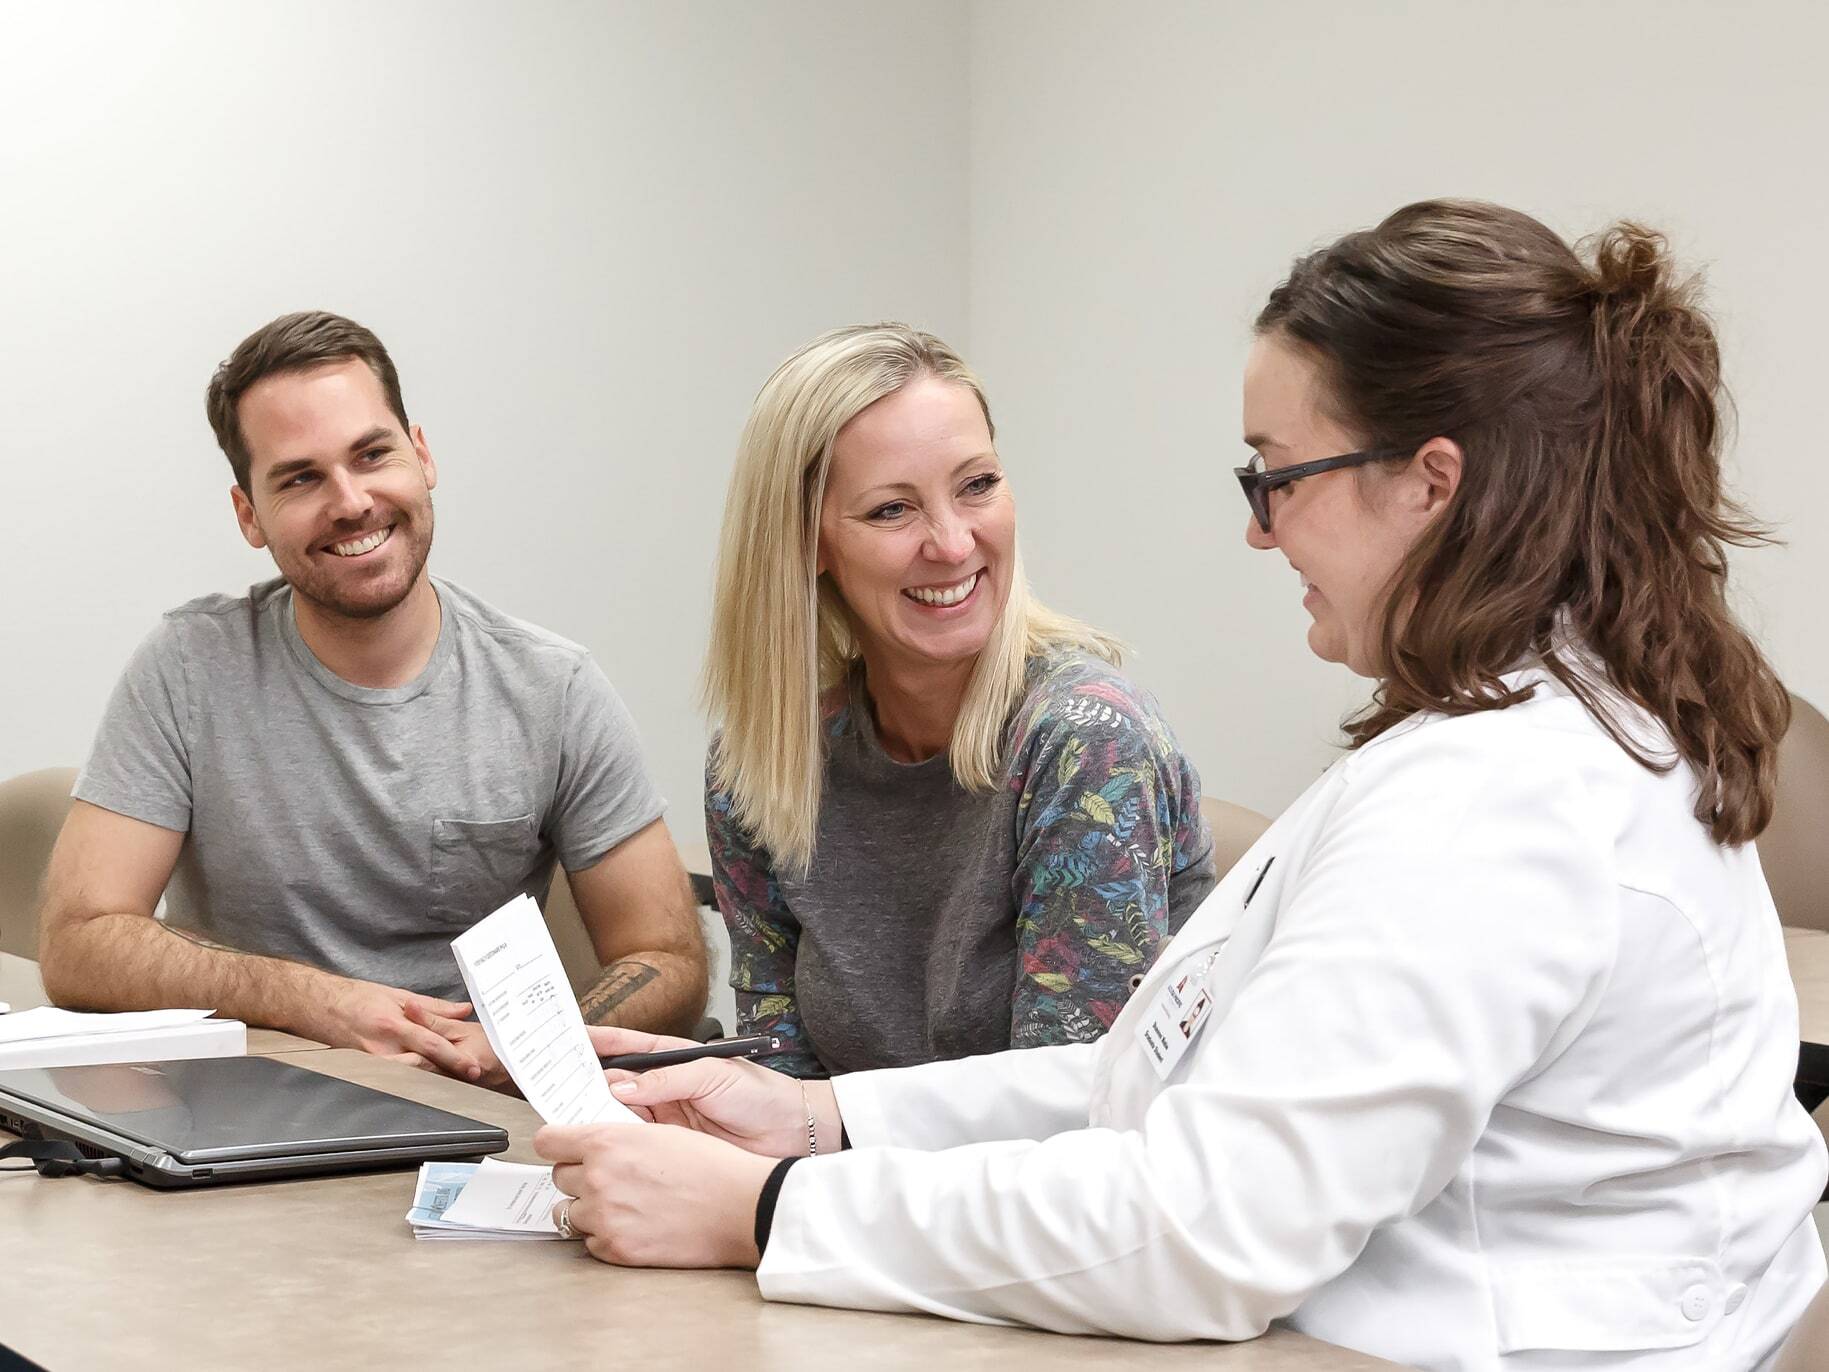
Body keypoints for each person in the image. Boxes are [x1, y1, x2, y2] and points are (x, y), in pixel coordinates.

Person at [534, 203, 1828, 1369]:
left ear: (1428, 486)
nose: (1259, 529)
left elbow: (1197, 1230)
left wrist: (764, 1214)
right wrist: (815, 1120)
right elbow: (1152, 1076)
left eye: (1276, 475)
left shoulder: (1497, 802)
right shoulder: (1477, 747)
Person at [38, 311, 708, 1082]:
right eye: (300, 477)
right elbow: (80, 940)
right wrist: (309, 1000)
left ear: (421, 456)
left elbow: (666, 957)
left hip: (476, 1110)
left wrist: (535, 1049)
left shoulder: (551, 687)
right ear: (248, 515)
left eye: (372, 454)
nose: (351, 501)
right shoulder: (188, 668)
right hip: (249, 1093)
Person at [701, 323, 1217, 1075]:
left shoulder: (1085, 739)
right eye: (890, 510)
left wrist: (809, 1157)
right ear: (805, 542)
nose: (950, 543)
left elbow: (1060, 1114)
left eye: (977, 485)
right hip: (844, 1187)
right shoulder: (758, 762)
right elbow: (779, 1081)